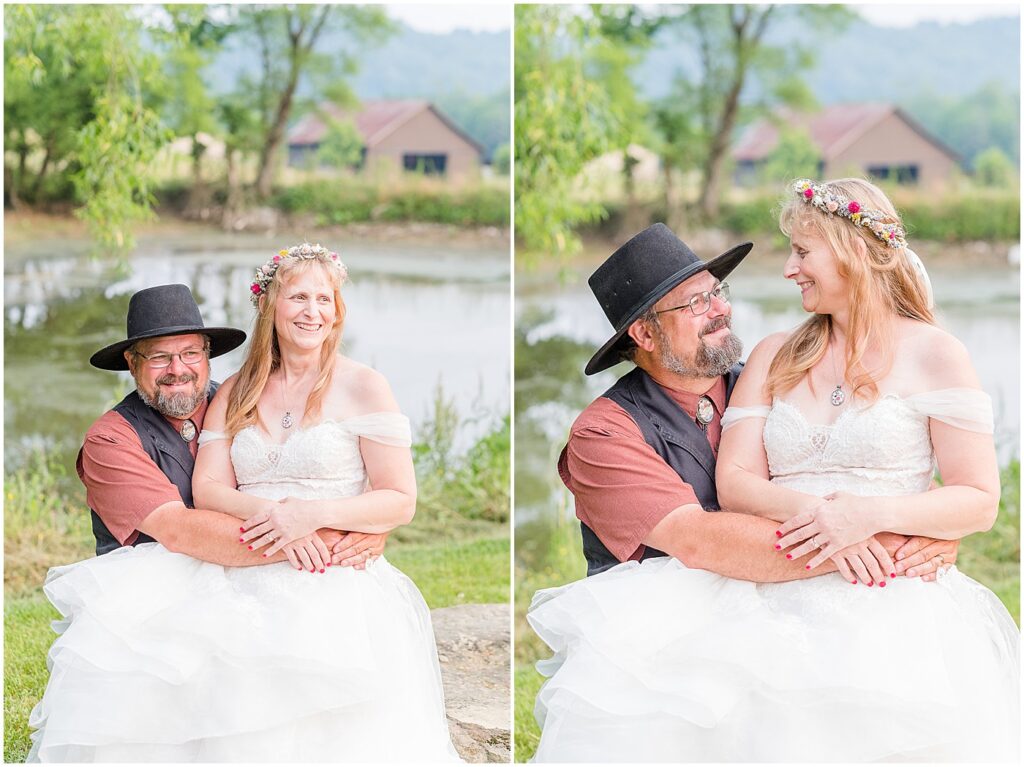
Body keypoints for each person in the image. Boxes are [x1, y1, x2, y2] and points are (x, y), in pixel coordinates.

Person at [527, 218, 1018, 761]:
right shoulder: (605, 433)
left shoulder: (777, 375)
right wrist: (883, 544)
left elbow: (895, 470)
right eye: (693, 304)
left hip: (793, 600)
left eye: (717, 292)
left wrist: (916, 525)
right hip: (663, 631)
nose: (720, 310)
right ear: (643, 334)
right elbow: (701, 541)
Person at [28, 248, 461, 762]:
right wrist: (302, 532)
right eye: (159, 357)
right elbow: (186, 524)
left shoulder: (332, 387)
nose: (178, 370)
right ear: (132, 363)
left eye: (189, 354)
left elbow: (395, 496)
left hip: (321, 572)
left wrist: (339, 519)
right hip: (176, 566)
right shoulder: (125, 434)